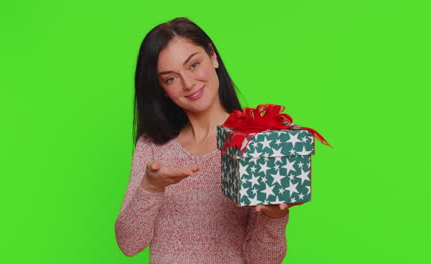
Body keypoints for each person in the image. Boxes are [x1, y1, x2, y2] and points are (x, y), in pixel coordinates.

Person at [115, 17, 302, 264]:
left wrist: (273, 216)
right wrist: (151, 187)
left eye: (193, 65)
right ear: (161, 88)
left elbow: (263, 260)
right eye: (170, 78)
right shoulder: (152, 146)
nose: (188, 83)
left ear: (212, 55)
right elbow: (129, 244)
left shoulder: (255, 141)